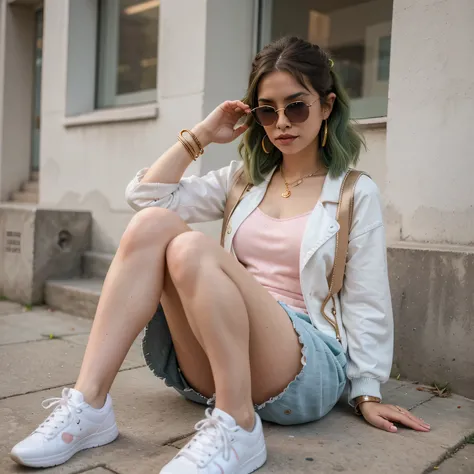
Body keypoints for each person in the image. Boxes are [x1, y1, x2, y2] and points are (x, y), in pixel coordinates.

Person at [10, 36, 430, 474]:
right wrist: (202, 136)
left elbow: (368, 297)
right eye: (268, 110)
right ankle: (90, 404)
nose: (282, 122)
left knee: (190, 246)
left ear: (326, 106)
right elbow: (146, 198)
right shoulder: (243, 180)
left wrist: (366, 391)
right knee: (152, 225)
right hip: (217, 357)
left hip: (302, 368)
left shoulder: (352, 192)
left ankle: (238, 427)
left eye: (297, 106)